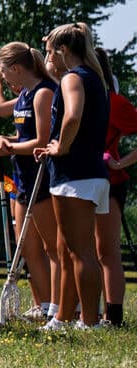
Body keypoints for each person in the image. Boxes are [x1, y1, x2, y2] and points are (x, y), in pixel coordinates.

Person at [36, 23, 111, 331]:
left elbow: (73, 115)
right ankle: (62, 317)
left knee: (80, 252)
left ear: (63, 51)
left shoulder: (73, 78)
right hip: (89, 172)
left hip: (75, 174)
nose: (46, 57)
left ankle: (90, 321)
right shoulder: (95, 78)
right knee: (68, 251)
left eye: (49, 51)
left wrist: (60, 147)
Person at [0, 43, 60, 318]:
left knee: (52, 247)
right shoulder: (24, 95)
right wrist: (5, 140)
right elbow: (23, 135)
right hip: (22, 178)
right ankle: (42, 305)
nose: (4, 78)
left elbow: (42, 141)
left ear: (16, 69)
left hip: (41, 177)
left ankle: (59, 307)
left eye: (5, 72)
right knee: (26, 245)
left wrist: (9, 147)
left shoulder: (43, 93)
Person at [94, 48, 137, 326]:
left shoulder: (115, 102)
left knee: (105, 250)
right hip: (77, 178)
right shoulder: (72, 98)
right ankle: (87, 312)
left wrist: (121, 164)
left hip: (110, 181)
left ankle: (114, 316)